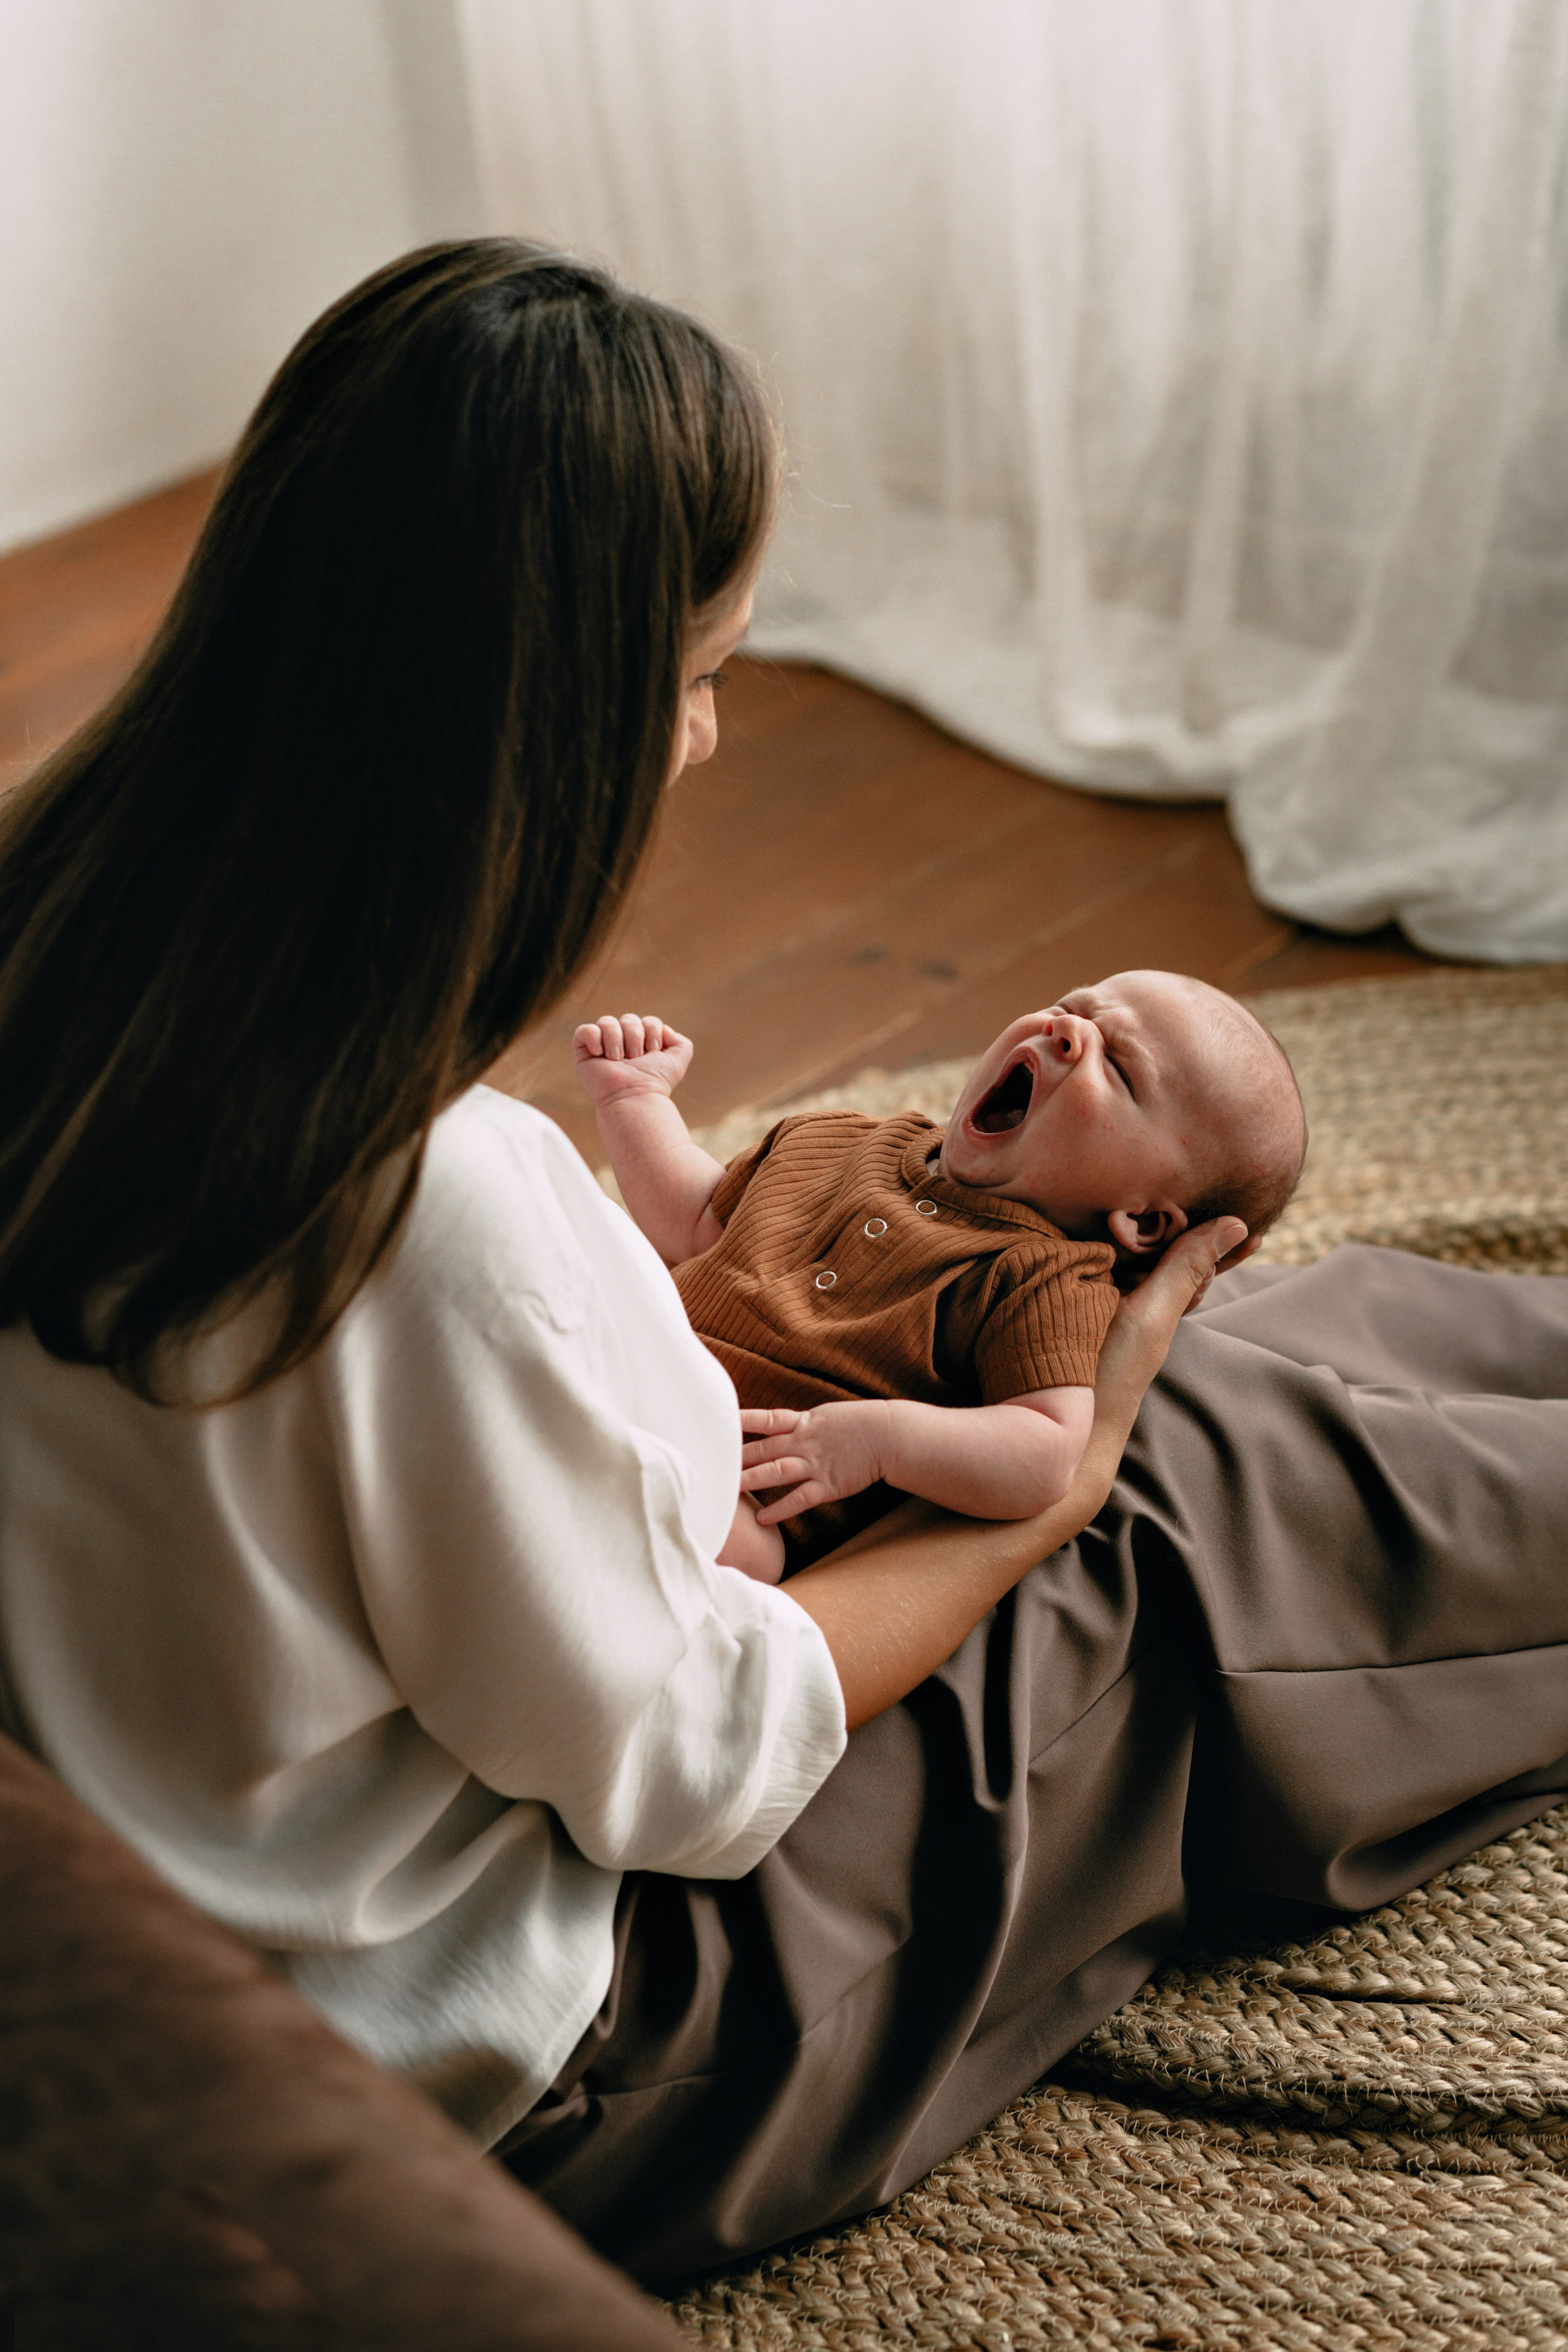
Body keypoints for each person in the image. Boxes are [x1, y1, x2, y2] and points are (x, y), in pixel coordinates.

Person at [0, 240, 1562, 2293]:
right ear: (555, 720)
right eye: (701, 675)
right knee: (1179, 1503)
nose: (709, 739)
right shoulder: (417, 1209)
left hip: (215, 1836)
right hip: (545, 2047)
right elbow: (691, 1771)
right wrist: (1066, 1480)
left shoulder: (55, 964)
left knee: (1224, 1343)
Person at [573, 971, 1305, 1576]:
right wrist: (635, 1102)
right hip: (628, 1365)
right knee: (564, 1234)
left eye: (1118, 1066)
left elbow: (1045, 1449)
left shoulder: (1046, 1278)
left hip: (743, 1480)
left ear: (1142, 1222)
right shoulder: (845, 1139)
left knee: (712, 1538)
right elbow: (699, 1224)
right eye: (1072, 1007)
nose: (1064, 1029)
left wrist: (881, 1441)